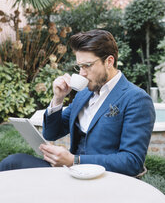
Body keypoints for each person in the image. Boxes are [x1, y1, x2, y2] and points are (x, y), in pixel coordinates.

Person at [0, 29, 155, 176]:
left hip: (104, 180)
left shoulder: (136, 99)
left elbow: (132, 162)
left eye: (87, 66)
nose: (81, 73)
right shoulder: (84, 94)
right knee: (13, 163)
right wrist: (58, 99)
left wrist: (75, 160)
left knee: (14, 164)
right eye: (79, 66)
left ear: (109, 61)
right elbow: (51, 133)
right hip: (72, 173)